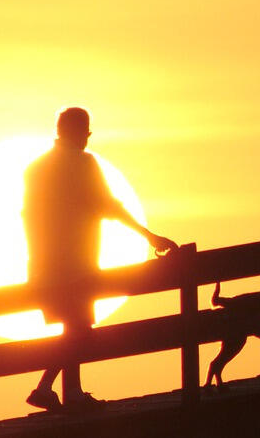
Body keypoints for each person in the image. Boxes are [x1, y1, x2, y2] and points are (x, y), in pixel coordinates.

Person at [23, 107, 177, 412]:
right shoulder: (83, 163)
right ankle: (55, 389)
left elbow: (29, 216)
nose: (87, 139)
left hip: (44, 264)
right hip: (76, 263)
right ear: (80, 132)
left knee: (73, 328)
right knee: (78, 328)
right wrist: (148, 236)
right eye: (87, 133)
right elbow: (107, 204)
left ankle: (60, 390)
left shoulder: (36, 168)